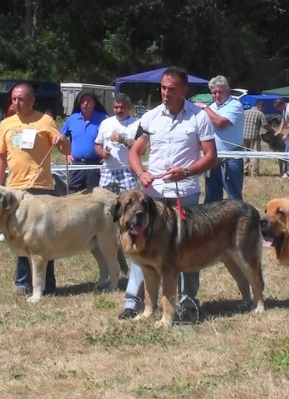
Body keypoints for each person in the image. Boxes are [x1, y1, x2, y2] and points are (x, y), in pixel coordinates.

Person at [120, 66, 217, 320]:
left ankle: (187, 303)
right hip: (153, 195)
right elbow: (134, 152)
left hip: (185, 194)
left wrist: (185, 171)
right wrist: (141, 173)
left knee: (187, 249)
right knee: (140, 246)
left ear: (184, 90)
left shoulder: (199, 117)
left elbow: (210, 157)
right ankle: (133, 302)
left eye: (171, 89)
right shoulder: (150, 117)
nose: (165, 93)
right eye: (163, 88)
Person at [0, 83, 71, 296]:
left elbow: (66, 149)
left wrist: (61, 140)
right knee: (18, 237)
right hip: (14, 189)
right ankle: (22, 282)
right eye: (13, 99)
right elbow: (1, 156)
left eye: (20, 99)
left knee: (43, 239)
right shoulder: (6, 124)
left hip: (40, 188)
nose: (15, 103)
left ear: (31, 101)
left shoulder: (45, 121)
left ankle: (48, 283)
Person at [194, 75, 244, 201]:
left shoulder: (235, 105)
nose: (216, 95)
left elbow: (221, 123)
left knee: (234, 197)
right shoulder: (212, 107)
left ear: (228, 91)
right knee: (211, 198)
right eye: (213, 92)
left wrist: (204, 108)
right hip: (212, 157)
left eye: (219, 92)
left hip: (231, 158)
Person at [61, 90, 108, 192]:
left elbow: (111, 138)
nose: (86, 103)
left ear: (94, 103)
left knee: (94, 197)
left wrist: (104, 154)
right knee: (73, 196)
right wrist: (66, 154)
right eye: (83, 101)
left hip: (95, 165)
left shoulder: (104, 119)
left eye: (89, 101)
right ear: (79, 103)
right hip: (76, 165)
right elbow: (61, 137)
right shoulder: (72, 119)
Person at [94, 93, 138, 194]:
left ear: (129, 107)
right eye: (116, 107)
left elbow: (142, 150)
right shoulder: (105, 123)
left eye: (122, 107)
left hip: (127, 170)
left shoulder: (136, 124)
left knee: (129, 204)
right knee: (105, 204)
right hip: (108, 170)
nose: (118, 110)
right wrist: (102, 153)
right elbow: (97, 145)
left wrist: (123, 140)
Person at [243, 101, 273, 177]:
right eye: (263, 107)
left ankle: (244, 170)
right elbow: (265, 126)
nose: (264, 109)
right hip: (254, 136)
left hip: (243, 136)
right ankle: (254, 173)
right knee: (254, 154)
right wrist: (272, 130)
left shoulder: (244, 112)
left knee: (245, 154)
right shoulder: (260, 113)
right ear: (260, 106)